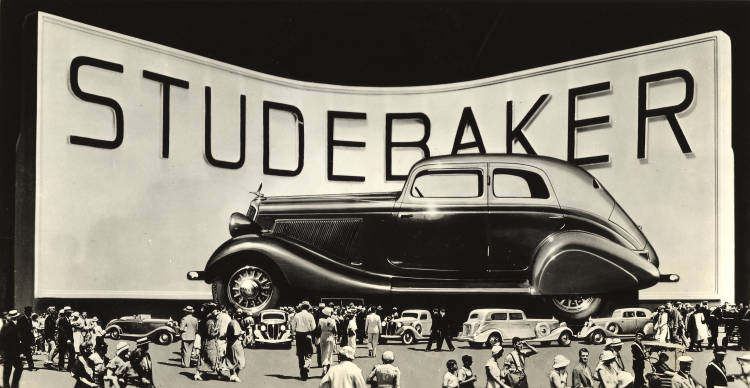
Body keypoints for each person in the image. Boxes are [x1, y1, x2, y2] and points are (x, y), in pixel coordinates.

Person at [291, 301, 317, 380]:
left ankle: (303, 373)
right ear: (308, 307)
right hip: (307, 335)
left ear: (301, 307)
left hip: (299, 336)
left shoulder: (297, 315)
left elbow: (293, 327)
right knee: (309, 352)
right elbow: (313, 327)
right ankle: (307, 365)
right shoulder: (310, 316)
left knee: (300, 354)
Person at [195, 304, 220, 381]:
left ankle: (200, 373)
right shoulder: (210, 322)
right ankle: (198, 373)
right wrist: (217, 332)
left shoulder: (207, 320)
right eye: (216, 310)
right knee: (211, 358)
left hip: (206, 342)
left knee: (206, 358)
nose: (217, 312)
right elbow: (210, 334)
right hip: (210, 343)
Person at [1, 309, 23, 388]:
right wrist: (2, 352)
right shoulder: (7, 326)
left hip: (14, 352)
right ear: (16, 317)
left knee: (19, 368)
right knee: (8, 372)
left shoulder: (15, 325)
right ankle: (8, 386)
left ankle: (14, 386)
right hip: (9, 352)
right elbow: (2, 340)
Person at [224, 310, 246, 382]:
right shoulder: (235, 323)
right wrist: (242, 332)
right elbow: (236, 334)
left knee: (231, 360)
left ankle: (232, 375)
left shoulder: (231, 322)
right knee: (240, 361)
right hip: (235, 343)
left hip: (230, 343)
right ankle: (235, 375)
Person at [319, 307, 338, 376]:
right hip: (330, 336)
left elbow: (318, 330)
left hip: (323, 336)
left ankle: (324, 367)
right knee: (330, 353)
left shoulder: (320, 320)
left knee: (324, 353)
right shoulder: (333, 320)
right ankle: (328, 370)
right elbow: (335, 331)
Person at [17, 306, 35, 371]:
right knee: (23, 353)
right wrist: (19, 339)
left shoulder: (29, 319)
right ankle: (29, 365)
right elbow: (18, 330)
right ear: (26, 312)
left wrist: (32, 340)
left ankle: (31, 365)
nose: (30, 313)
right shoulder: (21, 319)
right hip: (22, 339)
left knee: (28, 352)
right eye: (29, 312)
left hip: (28, 339)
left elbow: (30, 330)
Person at [58, 307, 75, 371]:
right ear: (66, 313)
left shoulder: (68, 319)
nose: (70, 313)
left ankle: (69, 367)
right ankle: (61, 366)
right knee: (62, 353)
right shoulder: (62, 319)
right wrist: (67, 339)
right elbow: (62, 330)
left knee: (72, 353)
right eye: (69, 312)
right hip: (63, 339)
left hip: (69, 340)